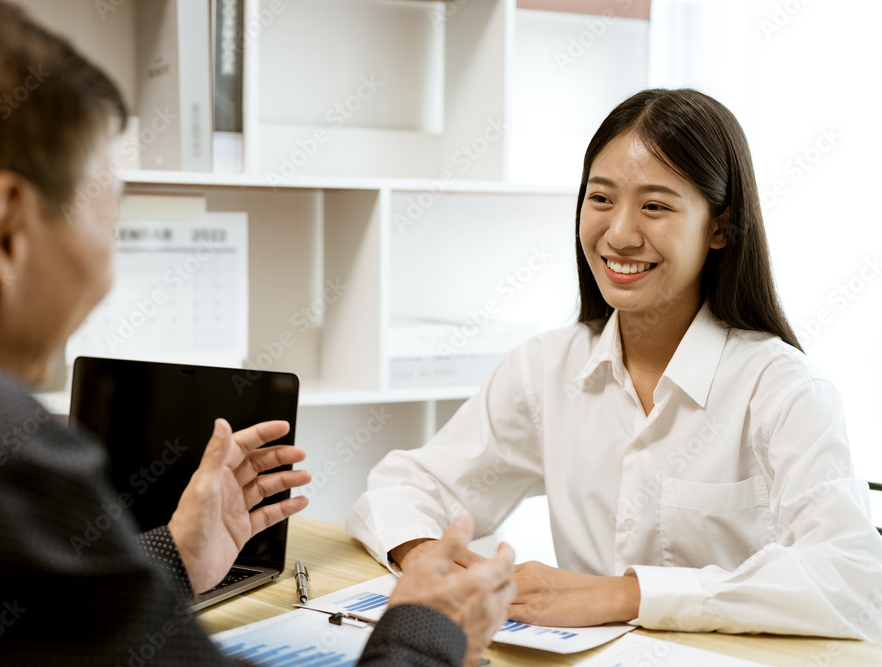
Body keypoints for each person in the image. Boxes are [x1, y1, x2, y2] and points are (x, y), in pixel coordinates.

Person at [0, 2, 516, 666]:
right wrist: (427, 627)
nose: (108, 272)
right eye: (110, 215)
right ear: (6, 229)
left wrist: (174, 554)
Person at [348, 87, 882, 642]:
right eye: (601, 199)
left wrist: (620, 595)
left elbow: (853, 578)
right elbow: (404, 486)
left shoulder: (783, 389)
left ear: (721, 227)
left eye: (655, 206)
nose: (620, 234)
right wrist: (430, 560)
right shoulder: (547, 368)